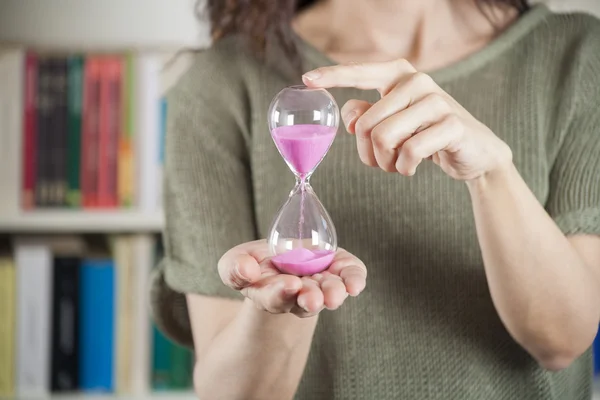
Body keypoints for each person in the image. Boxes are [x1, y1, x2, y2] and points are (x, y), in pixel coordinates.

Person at [150, 0, 600, 398]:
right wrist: (281, 302)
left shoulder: (574, 54)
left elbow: (561, 342)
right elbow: (233, 395)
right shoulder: (224, 78)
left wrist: (492, 173)